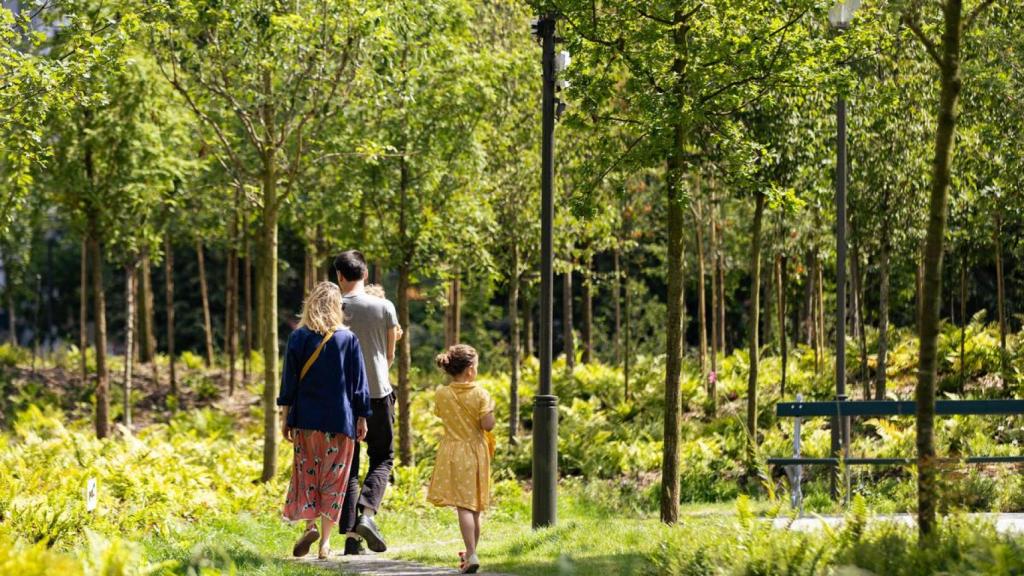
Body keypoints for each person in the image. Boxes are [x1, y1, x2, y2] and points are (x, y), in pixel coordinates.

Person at [278, 281, 370, 560]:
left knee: (306, 475)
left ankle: (309, 526)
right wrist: (362, 416)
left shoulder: (298, 337)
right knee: (335, 479)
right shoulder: (348, 339)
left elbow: (289, 381)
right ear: (337, 307)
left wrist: (285, 417)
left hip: (306, 419)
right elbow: (358, 384)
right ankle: (325, 544)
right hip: (340, 420)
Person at [334, 250, 401, 555]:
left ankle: (351, 539)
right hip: (377, 392)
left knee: (349, 465)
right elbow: (388, 356)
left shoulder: (331, 308)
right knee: (383, 457)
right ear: (364, 274)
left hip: (342, 397)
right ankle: (367, 515)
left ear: (339, 276)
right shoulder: (384, 306)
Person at [427, 344, 495, 574]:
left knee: (463, 506)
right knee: (473, 507)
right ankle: (472, 552)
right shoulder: (481, 393)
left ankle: (470, 554)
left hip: (452, 451)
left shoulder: (442, 393)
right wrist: (490, 411)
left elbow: (440, 413)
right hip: (476, 451)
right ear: (469, 370)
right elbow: (488, 425)